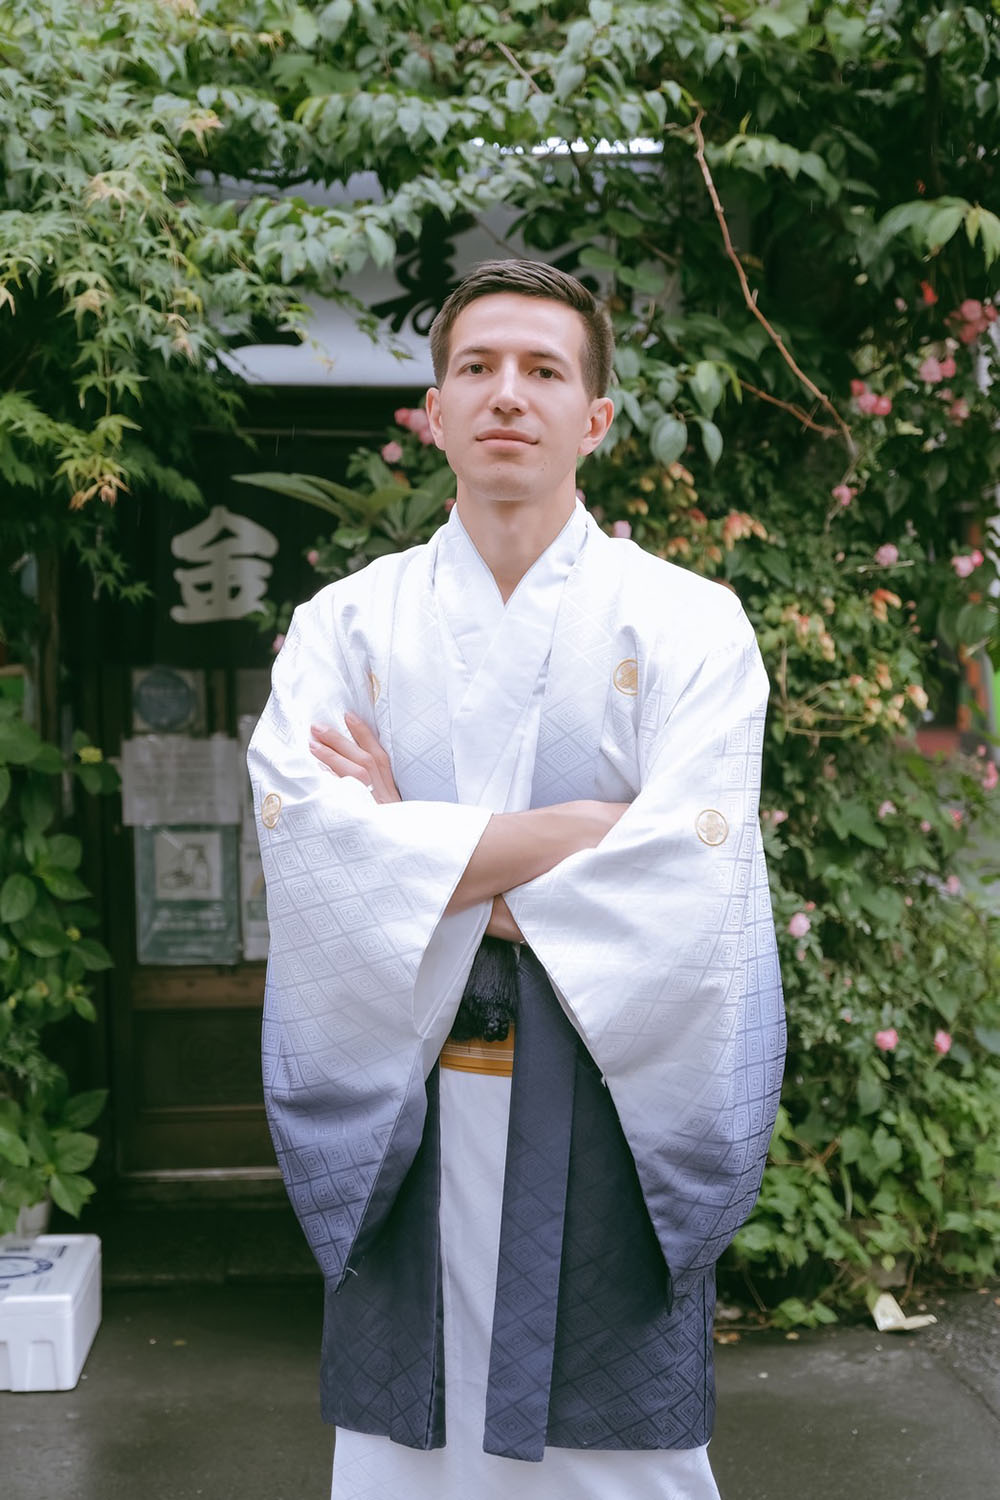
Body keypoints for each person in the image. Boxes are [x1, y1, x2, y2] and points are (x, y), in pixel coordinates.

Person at [248, 259, 785, 1499]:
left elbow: (690, 872)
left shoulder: (691, 623)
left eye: (544, 370)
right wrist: (574, 832)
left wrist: (412, 846)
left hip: (605, 1094)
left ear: (595, 419)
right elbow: (314, 851)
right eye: (477, 367)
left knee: (615, 1456)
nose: (508, 393)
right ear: (433, 412)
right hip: (408, 1086)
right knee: (406, 1454)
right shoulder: (346, 624)